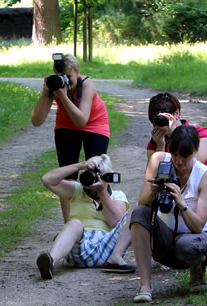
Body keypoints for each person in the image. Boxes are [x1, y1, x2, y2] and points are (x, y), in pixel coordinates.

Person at [130, 125, 207, 303]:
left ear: (196, 151)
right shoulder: (159, 160)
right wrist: (152, 192)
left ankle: (198, 268)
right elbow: (142, 203)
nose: (179, 161)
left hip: (203, 240)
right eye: (175, 155)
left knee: (186, 243)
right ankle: (145, 286)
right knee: (139, 214)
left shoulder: (206, 176)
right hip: (169, 241)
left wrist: (181, 202)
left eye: (185, 157)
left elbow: (198, 226)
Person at [146, 92, 207, 267]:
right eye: (156, 120)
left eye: (166, 117)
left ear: (177, 113)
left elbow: (193, 164)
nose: (162, 125)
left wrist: (176, 134)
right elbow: (153, 176)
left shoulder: (200, 134)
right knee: (183, 247)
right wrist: (160, 146)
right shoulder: (155, 144)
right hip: (176, 207)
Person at [31, 53, 110, 222]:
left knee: (97, 172)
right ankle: (69, 223)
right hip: (66, 125)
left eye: (69, 77)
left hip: (94, 123)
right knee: (67, 174)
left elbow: (82, 121)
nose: (65, 81)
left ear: (77, 72)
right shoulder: (55, 87)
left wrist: (63, 97)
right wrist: (46, 93)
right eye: (61, 76)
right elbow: (36, 120)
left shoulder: (87, 84)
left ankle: (103, 217)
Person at [35, 154, 134, 279]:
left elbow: (115, 223)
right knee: (74, 223)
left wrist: (102, 192)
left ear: (107, 178)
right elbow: (47, 179)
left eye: (98, 177)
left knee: (135, 212)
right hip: (80, 247)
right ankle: (50, 262)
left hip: (108, 249)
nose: (93, 181)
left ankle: (116, 258)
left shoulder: (117, 195)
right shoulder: (76, 190)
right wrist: (79, 165)